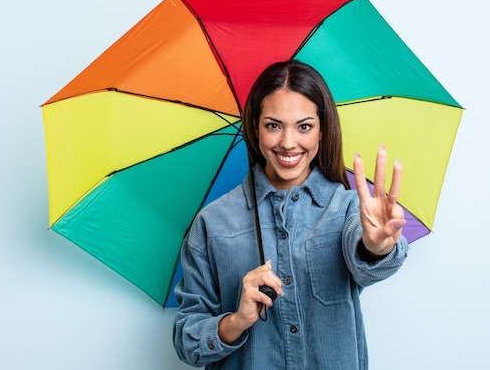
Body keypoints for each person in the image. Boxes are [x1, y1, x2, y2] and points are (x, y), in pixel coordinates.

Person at [173, 60, 409, 369]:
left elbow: (369, 264)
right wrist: (237, 320)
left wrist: (377, 247)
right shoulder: (211, 223)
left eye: (304, 126)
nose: (288, 142)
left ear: (322, 130)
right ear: (254, 127)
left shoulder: (348, 209)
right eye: (273, 125)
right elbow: (187, 343)